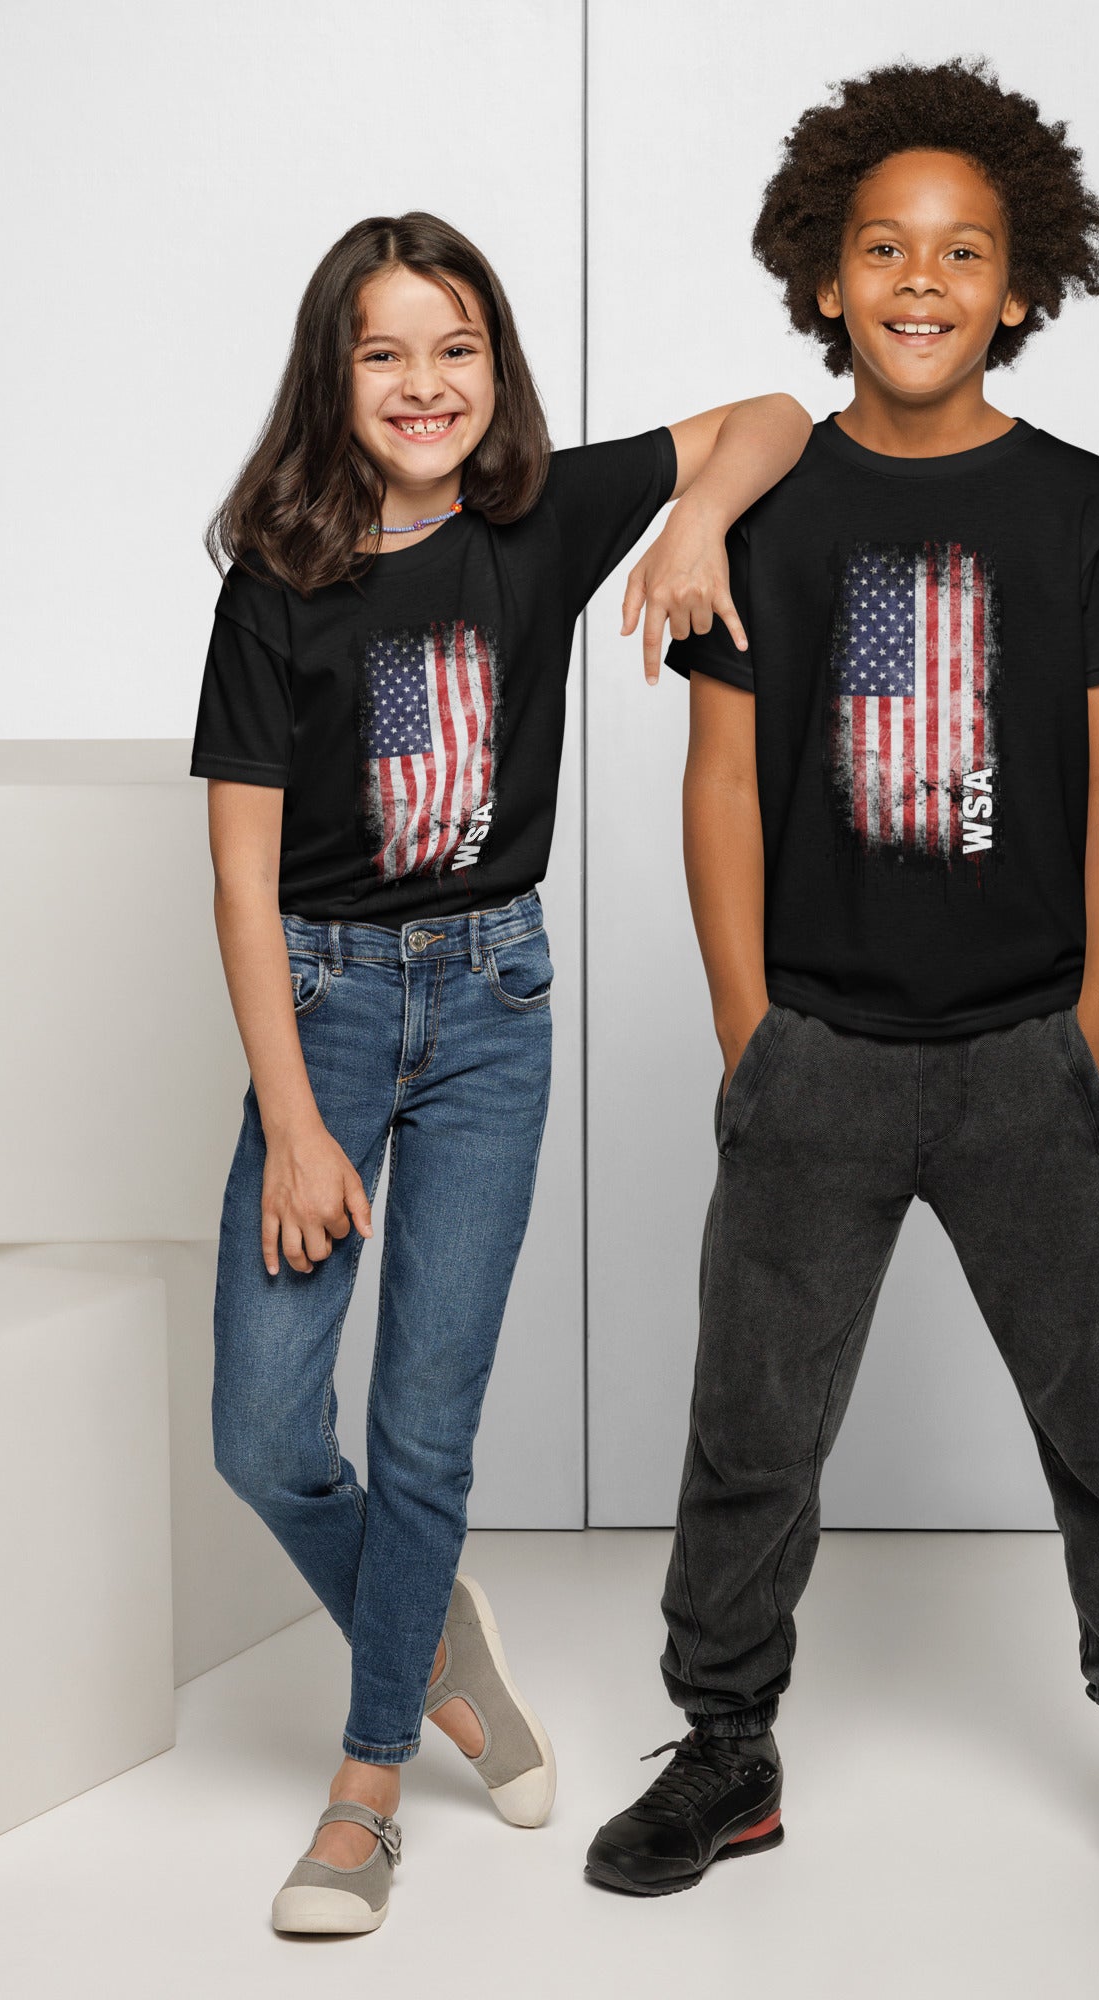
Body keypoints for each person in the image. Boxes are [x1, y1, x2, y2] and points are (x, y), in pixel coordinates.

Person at [584, 62, 1099, 1926]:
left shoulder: (1083, 507)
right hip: (822, 1059)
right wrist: (748, 1029)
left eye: (965, 251)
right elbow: (720, 780)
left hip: (1032, 1047)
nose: (923, 278)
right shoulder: (766, 512)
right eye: (884, 248)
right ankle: (726, 1747)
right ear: (824, 279)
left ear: (1022, 285)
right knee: (752, 1426)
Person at [193, 210, 808, 1937]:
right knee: (261, 1426)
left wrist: (695, 517)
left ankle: (368, 1786)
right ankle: (437, 1626)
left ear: (497, 364)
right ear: (335, 374)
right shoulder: (279, 579)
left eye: (454, 347)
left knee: (424, 1425)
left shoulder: (541, 518)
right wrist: (298, 1125)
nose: (424, 383)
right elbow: (241, 874)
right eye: (384, 351)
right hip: (316, 1002)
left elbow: (773, 416)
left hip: (489, 1008)